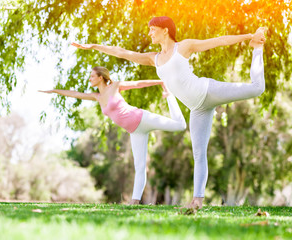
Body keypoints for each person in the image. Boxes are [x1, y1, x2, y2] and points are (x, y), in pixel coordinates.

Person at [71, 16, 266, 208]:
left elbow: (219, 41)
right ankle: (197, 200)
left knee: (257, 88)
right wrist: (95, 46)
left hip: (207, 91)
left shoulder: (183, 47)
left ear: (165, 30)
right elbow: (123, 53)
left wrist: (250, 36)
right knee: (199, 154)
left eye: (152, 29)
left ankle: (257, 47)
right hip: (197, 109)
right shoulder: (153, 58)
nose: (149, 33)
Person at [39, 66, 186, 204]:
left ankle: (170, 96)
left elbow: (138, 84)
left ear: (101, 77)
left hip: (141, 118)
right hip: (135, 131)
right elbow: (76, 94)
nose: (89, 79)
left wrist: (161, 82)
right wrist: (54, 91)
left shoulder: (115, 86)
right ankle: (134, 202)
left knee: (180, 126)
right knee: (139, 167)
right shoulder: (97, 97)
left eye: (92, 76)